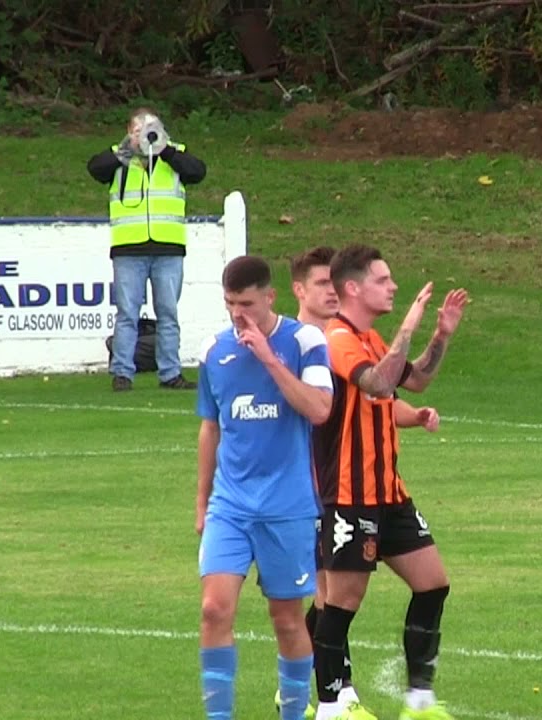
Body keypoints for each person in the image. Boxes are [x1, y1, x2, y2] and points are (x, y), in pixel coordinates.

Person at [312, 244, 467, 720]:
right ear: (353, 288)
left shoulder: (371, 339)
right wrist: (410, 324)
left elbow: (413, 380)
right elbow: (377, 384)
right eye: (383, 280)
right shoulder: (338, 338)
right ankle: (331, 703)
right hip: (349, 493)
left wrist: (441, 335)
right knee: (341, 602)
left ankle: (419, 702)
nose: (394, 286)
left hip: (388, 493)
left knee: (433, 584)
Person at [195, 255, 334, 720]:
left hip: (287, 506)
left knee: (287, 620)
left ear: (270, 298)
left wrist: (268, 358)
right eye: (230, 304)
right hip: (230, 506)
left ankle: (293, 713)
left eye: (247, 304)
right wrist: (202, 503)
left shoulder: (305, 341)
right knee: (214, 610)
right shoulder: (214, 352)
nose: (238, 315)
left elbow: (319, 409)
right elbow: (210, 428)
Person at [87, 107, 207, 392]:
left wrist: (165, 150)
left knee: (168, 314)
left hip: (168, 247)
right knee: (127, 313)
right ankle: (122, 373)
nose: (146, 135)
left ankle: (170, 373)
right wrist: (127, 149)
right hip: (129, 248)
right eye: (139, 130)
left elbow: (197, 172)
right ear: (129, 131)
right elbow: (96, 169)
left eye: (152, 128)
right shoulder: (119, 156)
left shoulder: (175, 154)